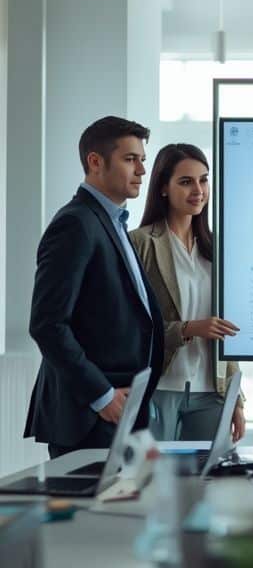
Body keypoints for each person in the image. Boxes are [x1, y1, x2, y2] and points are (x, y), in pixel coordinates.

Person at [25, 116, 164, 459]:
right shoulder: (75, 224)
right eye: (131, 159)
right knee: (93, 513)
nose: (142, 171)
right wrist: (102, 395)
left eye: (142, 160)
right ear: (95, 162)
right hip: (92, 414)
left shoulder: (111, 221)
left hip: (122, 411)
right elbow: (47, 324)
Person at [130, 143, 245, 442]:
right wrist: (189, 329)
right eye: (186, 181)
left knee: (206, 484)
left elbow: (226, 328)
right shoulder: (140, 243)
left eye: (203, 179)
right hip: (159, 390)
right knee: (153, 484)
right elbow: (130, 326)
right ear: (163, 188)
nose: (198, 190)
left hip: (212, 393)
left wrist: (237, 398)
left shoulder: (217, 249)